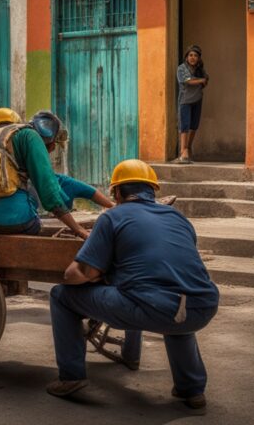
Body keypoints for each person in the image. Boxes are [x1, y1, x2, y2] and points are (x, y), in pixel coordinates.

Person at [46, 159, 219, 414]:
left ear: (116, 193)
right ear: (153, 191)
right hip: (203, 306)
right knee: (176, 306)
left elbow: (82, 273)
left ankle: (71, 376)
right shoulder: (178, 217)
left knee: (61, 295)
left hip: (154, 307)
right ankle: (192, 389)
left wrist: (77, 274)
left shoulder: (113, 216)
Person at [0, 107, 90, 239]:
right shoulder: (28, 135)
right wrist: (78, 229)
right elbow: (48, 190)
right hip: (17, 222)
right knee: (34, 212)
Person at [175, 45, 209, 164]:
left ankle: (188, 148)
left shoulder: (200, 70)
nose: (193, 58)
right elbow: (188, 81)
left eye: (195, 55)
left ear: (199, 58)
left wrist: (203, 80)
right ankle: (183, 152)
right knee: (184, 126)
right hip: (185, 101)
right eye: (190, 55)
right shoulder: (181, 68)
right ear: (186, 57)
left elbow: (206, 79)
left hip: (197, 100)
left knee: (194, 126)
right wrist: (200, 80)